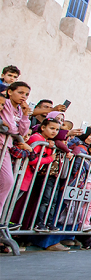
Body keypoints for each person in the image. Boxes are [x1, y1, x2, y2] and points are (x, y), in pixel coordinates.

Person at [0, 82, 31, 224]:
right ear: (10, 92)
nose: (23, 97)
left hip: (6, 147)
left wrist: (25, 115)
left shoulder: (19, 109)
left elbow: (23, 132)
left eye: (26, 94)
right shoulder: (4, 103)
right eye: (20, 93)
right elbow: (12, 129)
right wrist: (16, 132)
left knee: (7, 181)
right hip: (2, 142)